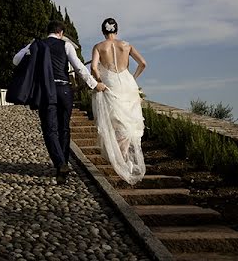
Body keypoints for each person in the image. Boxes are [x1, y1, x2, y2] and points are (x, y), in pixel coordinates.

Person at [12, 19, 107, 184]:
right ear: (61, 33)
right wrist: (94, 84)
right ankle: (62, 166)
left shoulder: (38, 44)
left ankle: (60, 164)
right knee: (64, 128)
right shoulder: (66, 45)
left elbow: (16, 60)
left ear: (48, 31)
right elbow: (79, 67)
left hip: (46, 92)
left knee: (50, 130)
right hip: (64, 90)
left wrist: (31, 48)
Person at [90, 17, 147, 185]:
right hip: (128, 84)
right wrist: (133, 78)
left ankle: (120, 159)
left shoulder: (99, 47)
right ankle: (124, 159)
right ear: (117, 30)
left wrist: (99, 80)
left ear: (103, 31)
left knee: (115, 120)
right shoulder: (126, 45)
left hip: (110, 84)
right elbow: (143, 63)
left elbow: (93, 67)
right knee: (129, 122)